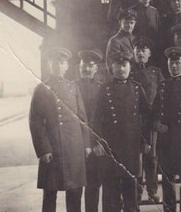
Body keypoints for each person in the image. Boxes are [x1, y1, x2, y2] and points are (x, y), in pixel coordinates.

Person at [29, 47, 92, 212]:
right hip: (52, 148)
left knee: (75, 191)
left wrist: (86, 144)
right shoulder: (41, 89)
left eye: (62, 62)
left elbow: (82, 118)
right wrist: (43, 149)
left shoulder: (73, 87)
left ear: (67, 66)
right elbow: (35, 122)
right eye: (55, 62)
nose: (58, 65)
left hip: (74, 148)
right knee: (50, 193)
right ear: (49, 65)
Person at [92, 51, 150, 212]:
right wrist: (96, 143)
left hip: (131, 146)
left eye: (124, 65)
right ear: (112, 68)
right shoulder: (105, 89)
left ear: (130, 67)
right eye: (117, 65)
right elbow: (96, 118)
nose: (121, 69)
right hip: (110, 146)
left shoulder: (137, 89)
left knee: (131, 187)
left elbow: (146, 117)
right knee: (110, 189)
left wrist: (146, 141)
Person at [151, 47, 181, 212]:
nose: (174, 66)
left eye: (177, 63)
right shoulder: (162, 85)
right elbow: (154, 112)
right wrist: (156, 123)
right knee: (167, 181)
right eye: (171, 63)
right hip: (166, 142)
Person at [129, 36, 164, 203]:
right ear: (133, 53)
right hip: (134, 122)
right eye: (138, 50)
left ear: (149, 54)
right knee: (136, 159)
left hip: (151, 121)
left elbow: (163, 95)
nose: (141, 53)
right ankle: (135, 193)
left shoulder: (156, 72)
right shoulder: (128, 71)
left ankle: (152, 191)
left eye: (144, 50)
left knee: (152, 158)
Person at [76, 49, 104, 212]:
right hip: (76, 143)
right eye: (84, 65)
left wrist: (99, 142)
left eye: (90, 66)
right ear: (79, 67)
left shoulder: (102, 89)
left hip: (95, 144)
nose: (87, 69)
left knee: (93, 184)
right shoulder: (71, 87)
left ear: (96, 69)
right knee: (75, 186)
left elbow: (104, 120)